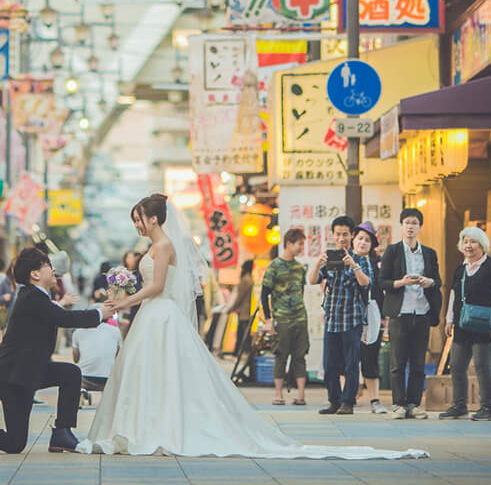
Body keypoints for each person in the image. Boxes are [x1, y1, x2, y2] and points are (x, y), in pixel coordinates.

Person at [79, 194, 426, 460]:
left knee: (168, 374)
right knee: (149, 374)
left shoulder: (165, 246)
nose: (137, 224)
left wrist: (124, 301)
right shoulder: (154, 245)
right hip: (153, 317)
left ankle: (160, 427)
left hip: (160, 314)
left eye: (139, 219)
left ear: (153, 219)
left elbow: (156, 288)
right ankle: (142, 424)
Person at [0, 247, 114, 455]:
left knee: (70, 374)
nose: (53, 269)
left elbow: (55, 313)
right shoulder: (32, 298)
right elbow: (66, 319)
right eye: (48, 265)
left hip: (27, 372)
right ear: (35, 274)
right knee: (15, 442)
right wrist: (101, 313)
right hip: (11, 378)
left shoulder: (36, 297)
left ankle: (62, 433)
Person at [379, 207, 442, 420]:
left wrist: (429, 282)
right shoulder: (393, 251)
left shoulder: (429, 253)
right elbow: (382, 282)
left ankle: (414, 404)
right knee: (397, 361)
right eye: (407, 223)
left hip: (422, 311)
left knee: (417, 362)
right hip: (400, 312)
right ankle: (398, 404)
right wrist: (401, 282)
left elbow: (438, 281)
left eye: (414, 223)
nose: (410, 227)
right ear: (401, 226)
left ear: (420, 227)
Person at [440, 226, 491, 421]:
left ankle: (487, 407)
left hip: (484, 324)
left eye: (473, 241)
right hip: (462, 323)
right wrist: (449, 319)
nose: (468, 245)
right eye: (465, 242)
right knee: (457, 365)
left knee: (481, 365)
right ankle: (459, 406)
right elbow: (454, 294)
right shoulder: (461, 269)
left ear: (482, 244)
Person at [308, 215, 372, 416]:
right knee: (329, 365)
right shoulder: (329, 258)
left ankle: (348, 402)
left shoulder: (360, 259)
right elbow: (311, 280)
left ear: (352, 235)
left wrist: (353, 265)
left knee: (351, 364)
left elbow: (366, 282)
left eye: (345, 234)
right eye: (338, 234)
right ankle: (333, 401)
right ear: (333, 235)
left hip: (352, 318)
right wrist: (318, 263)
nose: (342, 238)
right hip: (332, 318)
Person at [261, 228, 309, 406]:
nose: (301, 248)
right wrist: (268, 320)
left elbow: (301, 291)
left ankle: (301, 394)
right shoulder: (274, 267)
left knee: (300, 355)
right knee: (280, 355)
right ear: (288, 244)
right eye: (299, 244)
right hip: (281, 318)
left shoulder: (299, 268)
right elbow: (264, 295)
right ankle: (279, 394)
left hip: (299, 317)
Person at [353, 223, 387, 415]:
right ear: (353, 240)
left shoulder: (377, 264)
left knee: (370, 355)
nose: (363, 243)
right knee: (347, 358)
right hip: (347, 314)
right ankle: (347, 396)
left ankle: (375, 399)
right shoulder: (344, 260)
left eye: (367, 240)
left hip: (371, 312)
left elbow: (381, 290)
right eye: (360, 238)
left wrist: (384, 315)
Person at [72, 307, 122, 390]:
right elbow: (118, 356)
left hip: (85, 377)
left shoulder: (78, 332)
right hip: (108, 378)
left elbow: (76, 359)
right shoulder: (115, 331)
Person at [224, 259, 255, 358]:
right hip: (246, 310)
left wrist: (232, 308)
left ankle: (241, 353)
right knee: (243, 333)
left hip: (244, 311)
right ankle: (244, 352)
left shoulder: (245, 280)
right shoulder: (250, 279)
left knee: (242, 333)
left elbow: (240, 297)